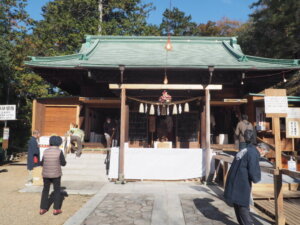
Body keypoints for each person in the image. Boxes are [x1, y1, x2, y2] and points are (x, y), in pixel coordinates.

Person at [224, 142, 270, 225]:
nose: (264, 155)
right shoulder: (253, 153)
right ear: (262, 150)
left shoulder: (246, 150)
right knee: (243, 204)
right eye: (265, 153)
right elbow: (253, 169)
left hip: (235, 178)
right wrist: (256, 179)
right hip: (241, 181)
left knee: (237, 203)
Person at [39, 136, 66, 216]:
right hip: (56, 174)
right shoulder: (59, 151)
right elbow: (63, 163)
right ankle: (56, 209)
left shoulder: (45, 151)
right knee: (57, 190)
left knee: (45, 190)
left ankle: (42, 208)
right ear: (59, 143)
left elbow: (42, 163)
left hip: (46, 174)